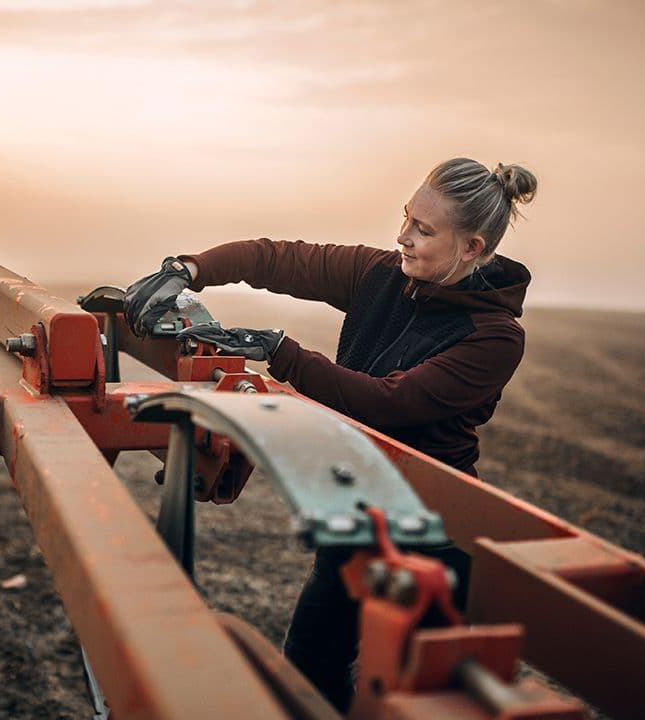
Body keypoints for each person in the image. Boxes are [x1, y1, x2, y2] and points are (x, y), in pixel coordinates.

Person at [123, 157, 537, 711]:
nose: (403, 237)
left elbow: (390, 403)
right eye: (406, 218)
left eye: (424, 230)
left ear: (472, 248)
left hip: (433, 534)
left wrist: (278, 351)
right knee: (311, 671)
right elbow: (277, 259)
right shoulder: (382, 275)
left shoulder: (494, 338)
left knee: (429, 697)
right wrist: (188, 269)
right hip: (356, 512)